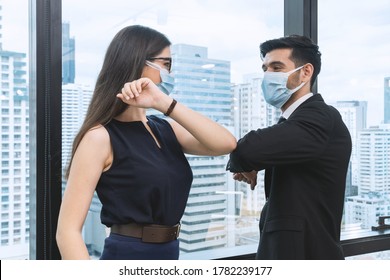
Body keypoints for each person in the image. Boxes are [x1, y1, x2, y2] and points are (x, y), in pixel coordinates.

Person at [56, 25, 237, 260]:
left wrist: (165, 103)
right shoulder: (100, 136)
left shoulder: (165, 128)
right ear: (136, 63)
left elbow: (225, 144)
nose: (170, 73)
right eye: (166, 64)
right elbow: (67, 231)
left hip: (170, 252)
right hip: (128, 255)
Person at [226, 35, 352, 259]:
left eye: (277, 67)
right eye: (265, 68)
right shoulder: (292, 122)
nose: (267, 75)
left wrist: (249, 160)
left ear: (305, 72)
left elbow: (248, 149)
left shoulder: (319, 116)